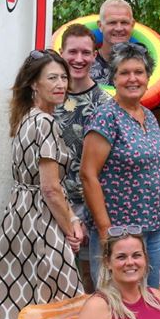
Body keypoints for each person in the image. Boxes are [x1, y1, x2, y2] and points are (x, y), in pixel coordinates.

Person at [0, 50, 85, 319]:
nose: (61, 84)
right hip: (41, 220)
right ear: (33, 84)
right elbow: (50, 188)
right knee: (62, 302)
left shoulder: (26, 119)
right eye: (52, 78)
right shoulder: (44, 123)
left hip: (17, 219)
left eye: (63, 77)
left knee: (19, 300)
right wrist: (72, 224)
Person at [81, 42, 160, 285]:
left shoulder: (149, 115)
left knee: (151, 300)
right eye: (124, 73)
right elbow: (88, 175)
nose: (133, 79)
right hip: (119, 236)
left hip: (155, 230)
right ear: (114, 78)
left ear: (148, 77)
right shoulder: (105, 117)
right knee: (116, 302)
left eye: (139, 72)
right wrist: (105, 232)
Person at [53, 23, 111, 291]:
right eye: (72, 52)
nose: (79, 59)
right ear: (61, 53)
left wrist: (91, 217)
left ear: (94, 55)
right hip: (54, 203)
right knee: (57, 277)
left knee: (91, 279)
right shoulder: (48, 99)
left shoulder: (105, 103)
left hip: (92, 205)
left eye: (86, 53)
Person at [91, 0, 136, 85]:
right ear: (100, 26)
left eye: (124, 22)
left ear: (132, 25)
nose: (119, 28)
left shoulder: (143, 63)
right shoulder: (85, 64)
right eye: (112, 22)